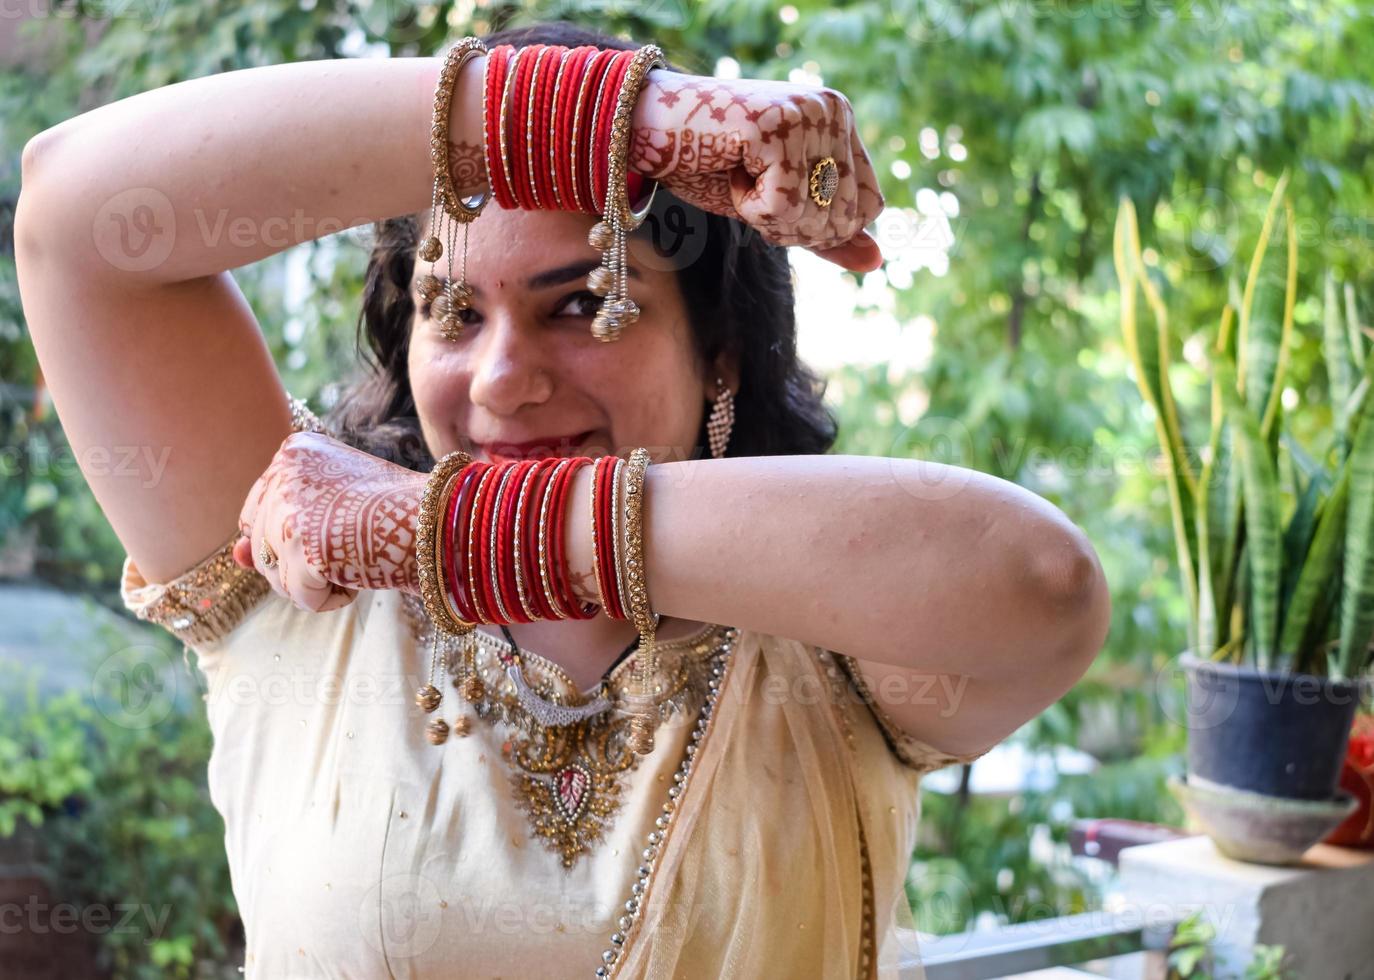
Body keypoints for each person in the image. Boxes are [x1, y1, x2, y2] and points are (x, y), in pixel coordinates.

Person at [14, 19, 1111, 980]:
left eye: (586, 302)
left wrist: (435, 531)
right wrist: (627, 118)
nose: (500, 378)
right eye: (452, 309)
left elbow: (1044, 583)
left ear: (720, 354)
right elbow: (75, 215)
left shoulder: (831, 643)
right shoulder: (297, 573)